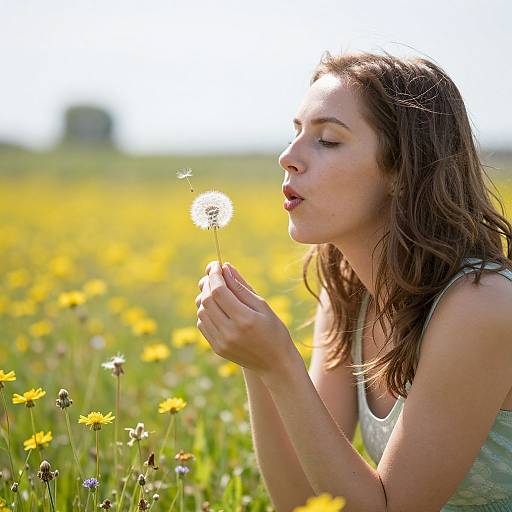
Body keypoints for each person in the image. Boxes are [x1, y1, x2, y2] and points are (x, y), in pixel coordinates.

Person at [195, 50, 512, 511]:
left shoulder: (481, 306)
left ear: (404, 171)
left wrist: (282, 363)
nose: (288, 157)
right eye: (296, 132)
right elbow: (304, 501)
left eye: (327, 140)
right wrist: (258, 363)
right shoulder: (348, 294)